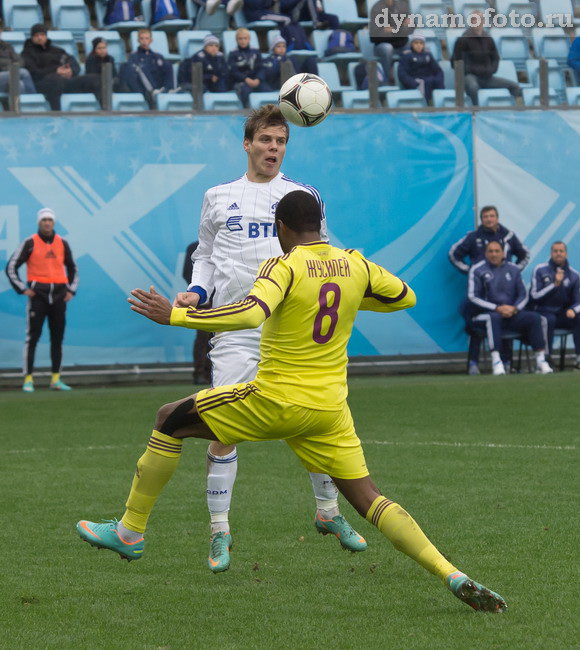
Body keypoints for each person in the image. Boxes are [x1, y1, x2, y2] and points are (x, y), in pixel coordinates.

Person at [77, 190, 507, 614]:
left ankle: (131, 531)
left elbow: (250, 313)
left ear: (281, 227)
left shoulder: (283, 265)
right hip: (330, 411)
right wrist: (351, 297)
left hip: (276, 400)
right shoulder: (354, 262)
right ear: (319, 224)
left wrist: (175, 315)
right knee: (370, 499)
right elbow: (405, 296)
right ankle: (449, 572)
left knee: (169, 417)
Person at [175, 104, 366, 572]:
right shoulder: (219, 196)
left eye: (280, 141)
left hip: (292, 331)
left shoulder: (302, 196)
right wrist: (198, 290)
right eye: (265, 140)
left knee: (316, 421)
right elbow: (205, 253)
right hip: (237, 330)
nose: (273, 148)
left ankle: (329, 514)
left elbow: (323, 255)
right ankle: (220, 532)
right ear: (247, 143)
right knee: (222, 431)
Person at [449, 205, 530, 375]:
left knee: (505, 319)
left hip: (504, 290)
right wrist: (469, 270)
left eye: (492, 216)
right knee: (476, 327)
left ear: (497, 218)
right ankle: (473, 364)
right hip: (480, 291)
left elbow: (525, 254)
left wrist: (512, 271)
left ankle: (506, 363)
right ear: (481, 219)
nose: (489, 219)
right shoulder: (473, 237)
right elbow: (453, 254)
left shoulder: (508, 235)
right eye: (485, 216)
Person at [5, 208, 78, 392]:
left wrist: (71, 290)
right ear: (39, 222)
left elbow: (73, 269)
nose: (47, 223)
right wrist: (23, 289)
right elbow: (11, 267)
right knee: (33, 337)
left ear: (54, 223)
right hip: (38, 297)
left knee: (57, 338)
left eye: (50, 220)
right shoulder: (29, 243)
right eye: (44, 220)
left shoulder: (63, 243)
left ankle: (55, 379)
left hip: (59, 296)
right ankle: (28, 379)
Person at [468, 241, 552, 376]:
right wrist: (497, 308)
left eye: (497, 251)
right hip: (484, 315)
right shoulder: (477, 270)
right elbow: (473, 297)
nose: (494, 254)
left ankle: (541, 360)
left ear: (503, 253)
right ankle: (497, 361)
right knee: (493, 318)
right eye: (490, 251)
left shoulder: (513, 269)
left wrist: (515, 308)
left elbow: (523, 294)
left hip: (511, 313)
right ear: (485, 253)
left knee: (535, 318)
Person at [22, 24, 101, 110]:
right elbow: (34, 72)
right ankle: (56, 113)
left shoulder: (57, 50)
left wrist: (71, 71)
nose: (40, 38)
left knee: (95, 78)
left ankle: (101, 111)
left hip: (65, 81)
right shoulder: (27, 53)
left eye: (42, 35)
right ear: (32, 38)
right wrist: (56, 71)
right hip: (42, 83)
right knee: (55, 80)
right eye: (37, 35)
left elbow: (74, 63)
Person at [451, 11, 521, 106]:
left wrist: (491, 69)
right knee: (473, 87)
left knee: (514, 86)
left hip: (487, 77)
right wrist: (470, 70)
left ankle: (512, 113)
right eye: (474, 19)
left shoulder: (488, 39)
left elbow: (495, 57)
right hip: (470, 76)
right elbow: (455, 62)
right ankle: (476, 112)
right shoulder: (463, 39)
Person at [529, 241, 580, 370]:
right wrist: (554, 285)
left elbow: (578, 300)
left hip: (563, 314)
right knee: (548, 319)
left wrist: (573, 310)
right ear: (551, 253)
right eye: (555, 251)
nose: (558, 254)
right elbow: (534, 296)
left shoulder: (574, 275)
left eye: (561, 251)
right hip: (543, 311)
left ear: (566, 254)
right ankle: (546, 358)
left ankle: (579, 359)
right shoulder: (540, 270)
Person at [182, 241, 212, 384]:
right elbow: (187, 273)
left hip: (224, 297)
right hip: (203, 299)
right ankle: (200, 373)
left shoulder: (225, 244)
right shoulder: (194, 247)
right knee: (203, 336)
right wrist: (200, 292)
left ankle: (212, 372)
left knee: (220, 336)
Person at [121, 28, 174, 105]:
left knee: (168, 65)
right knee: (141, 68)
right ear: (138, 41)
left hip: (158, 82)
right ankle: (152, 91)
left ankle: (169, 90)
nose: (144, 41)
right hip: (143, 89)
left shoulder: (157, 56)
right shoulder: (134, 56)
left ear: (151, 40)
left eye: (147, 38)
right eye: (142, 38)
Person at [369, 0, 411, 83]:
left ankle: (408, 78)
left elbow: (406, 33)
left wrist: (392, 30)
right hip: (381, 46)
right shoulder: (376, 10)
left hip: (400, 45)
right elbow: (373, 38)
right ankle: (386, 79)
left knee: (411, 47)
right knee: (388, 48)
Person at [227, 28, 271, 108]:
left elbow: (261, 68)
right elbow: (233, 71)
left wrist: (258, 79)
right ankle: (246, 111)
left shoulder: (256, 52)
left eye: (245, 38)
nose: (242, 41)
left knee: (267, 90)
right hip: (241, 82)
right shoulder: (233, 53)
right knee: (245, 91)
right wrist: (246, 79)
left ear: (249, 39)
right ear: (236, 40)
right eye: (240, 38)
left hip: (256, 80)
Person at [397, 31, 444, 102]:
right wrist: (413, 83)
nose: (419, 45)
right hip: (416, 82)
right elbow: (402, 73)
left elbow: (438, 70)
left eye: (421, 43)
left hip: (429, 80)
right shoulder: (407, 55)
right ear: (411, 44)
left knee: (436, 82)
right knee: (425, 83)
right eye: (416, 43)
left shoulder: (428, 54)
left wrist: (438, 80)